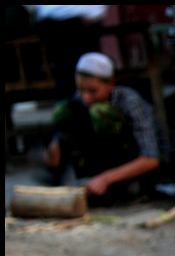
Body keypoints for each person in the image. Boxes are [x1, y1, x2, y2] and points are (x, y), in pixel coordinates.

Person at [44, 52, 165, 202]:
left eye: (93, 91)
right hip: (98, 172)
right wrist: (56, 146)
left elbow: (151, 159)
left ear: (110, 84)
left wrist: (105, 179)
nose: (85, 97)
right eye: (81, 90)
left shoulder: (130, 102)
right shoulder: (78, 101)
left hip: (137, 173)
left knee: (99, 113)